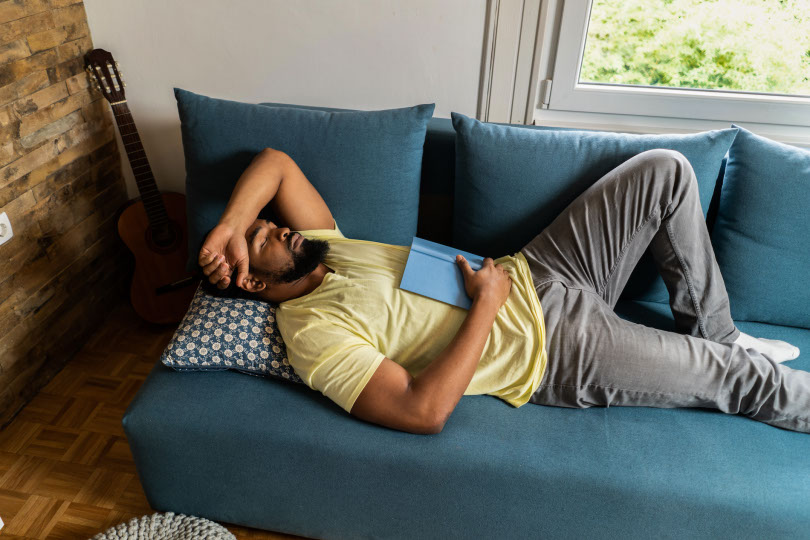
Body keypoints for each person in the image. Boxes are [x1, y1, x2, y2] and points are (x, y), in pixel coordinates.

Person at [199, 147, 807, 435]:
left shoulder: (325, 245)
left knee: (667, 172)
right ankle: (734, 357)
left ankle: (720, 329)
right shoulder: (309, 333)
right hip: (555, 349)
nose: (279, 224)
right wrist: (487, 303)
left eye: (269, 221)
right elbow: (422, 411)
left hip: (542, 269)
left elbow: (276, 162)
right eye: (264, 238)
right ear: (253, 282)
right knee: (740, 379)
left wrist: (230, 227)